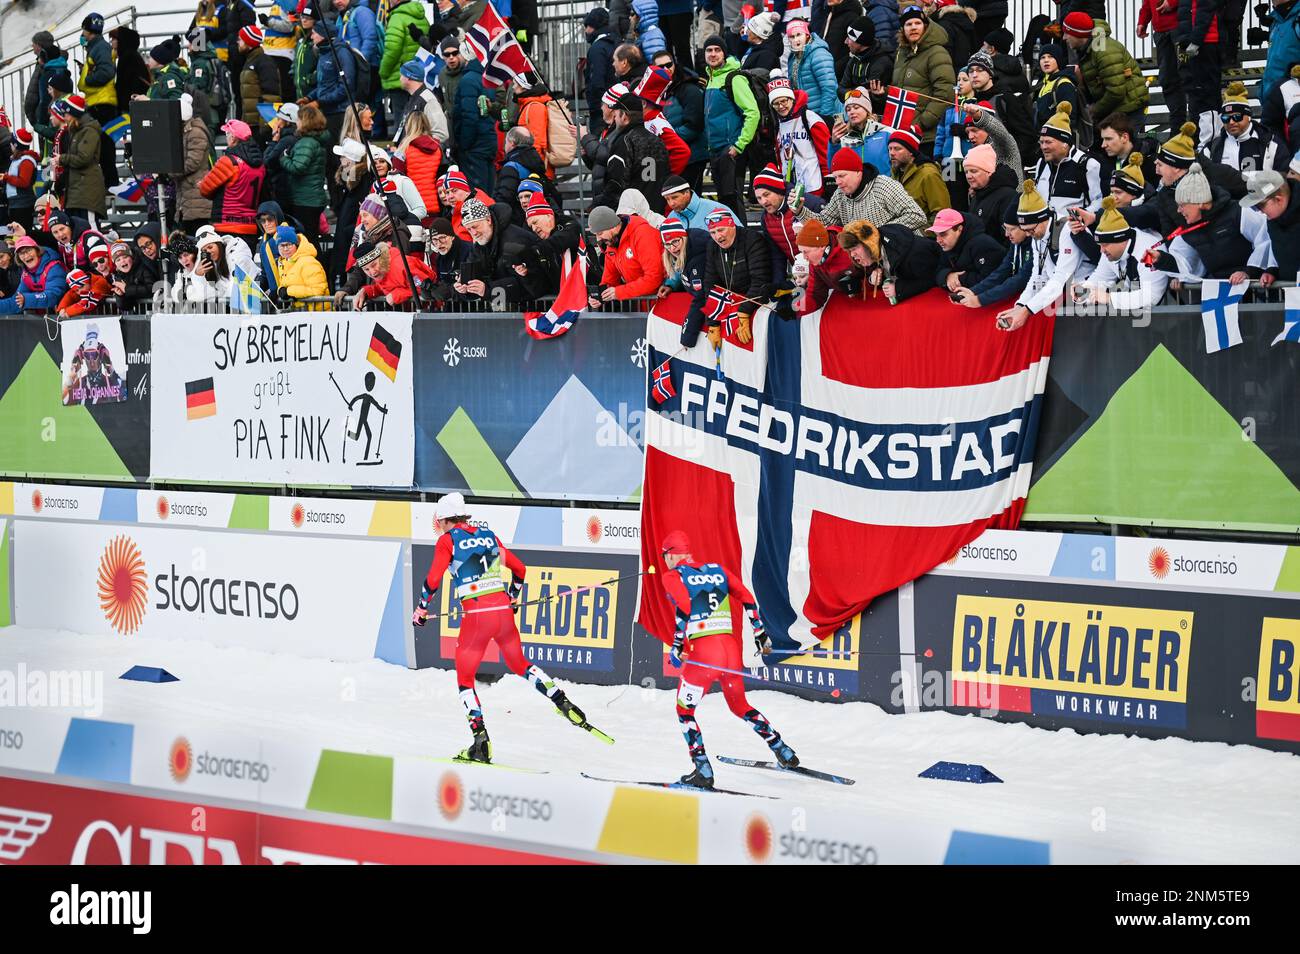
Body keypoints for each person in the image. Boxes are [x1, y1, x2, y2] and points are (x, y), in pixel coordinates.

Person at [413, 493, 599, 764]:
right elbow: (521, 569)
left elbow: (433, 579)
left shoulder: (447, 541)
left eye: (439, 521)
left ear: (443, 520)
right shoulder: (489, 535)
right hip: (502, 613)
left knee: (465, 679)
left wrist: (421, 609)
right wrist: (513, 597)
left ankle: (480, 741)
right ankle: (560, 699)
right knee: (520, 663)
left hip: (477, 617)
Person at [658, 530, 798, 789]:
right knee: (740, 706)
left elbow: (685, 606)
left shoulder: (672, 576)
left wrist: (677, 645)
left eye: (664, 555)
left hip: (705, 654)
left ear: (672, 554)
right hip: (730, 652)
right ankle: (782, 749)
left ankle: (702, 771)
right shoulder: (717, 570)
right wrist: (760, 634)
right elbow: (746, 597)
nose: (664, 560)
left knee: (684, 710)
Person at [1151, 162, 1276, 283]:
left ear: (1199, 202)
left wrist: (1248, 272)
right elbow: (1183, 261)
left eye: (1182, 205)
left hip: (1254, 288)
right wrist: (1160, 259)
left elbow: (1265, 240)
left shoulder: (1238, 212)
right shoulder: (1187, 228)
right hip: (1219, 290)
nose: (1179, 211)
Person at [995, 179, 1086, 332]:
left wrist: (1027, 311)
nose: (1029, 235)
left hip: (1084, 294)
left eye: (1031, 230)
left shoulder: (1065, 229)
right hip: (1066, 297)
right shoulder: (1037, 234)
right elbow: (1038, 276)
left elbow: (1060, 278)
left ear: (1043, 218)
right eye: (1025, 230)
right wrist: (1019, 306)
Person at [683, 207, 773, 345]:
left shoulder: (752, 240)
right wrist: (713, 323)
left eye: (721, 230)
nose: (718, 237)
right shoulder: (712, 247)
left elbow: (761, 280)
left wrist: (744, 312)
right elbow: (710, 285)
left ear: (732, 225)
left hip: (757, 303)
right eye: (712, 232)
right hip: (733, 304)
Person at [1070, 197, 1169, 313]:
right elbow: (1101, 277)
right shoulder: (1111, 250)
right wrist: (1084, 289)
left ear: (1121, 240)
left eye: (1105, 244)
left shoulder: (1149, 251)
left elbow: (1151, 296)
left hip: (1164, 317)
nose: (1101, 250)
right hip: (1135, 315)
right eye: (1100, 245)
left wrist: (1109, 298)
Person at [797, 148, 927, 232]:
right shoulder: (840, 194)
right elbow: (824, 223)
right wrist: (800, 211)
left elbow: (917, 216)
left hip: (904, 256)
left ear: (858, 172)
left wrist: (878, 233)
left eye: (842, 176)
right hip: (868, 261)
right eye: (835, 177)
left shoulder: (883, 186)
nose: (838, 182)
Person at [702, 36, 761, 218]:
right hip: (716, 151)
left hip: (730, 151)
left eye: (717, 50)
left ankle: (742, 242)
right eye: (709, 50)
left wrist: (738, 145)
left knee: (733, 202)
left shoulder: (734, 78)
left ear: (725, 54)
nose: (713, 54)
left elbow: (753, 113)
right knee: (725, 203)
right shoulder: (711, 78)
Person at [1062, 12, 1149, 134]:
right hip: (1116, 109)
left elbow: (1116, 91)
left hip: (1128, 109)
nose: (1064, 38)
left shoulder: (1104, 51)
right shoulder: (1089, 49)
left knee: (1120, 150)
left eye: (1067, 33)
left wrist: (1094, 110)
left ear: (1079, 34)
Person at [890, 6, 955, 148]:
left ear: (926, 26)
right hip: (904, 133)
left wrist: (921, 123)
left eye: (917, 23)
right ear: (903, 29)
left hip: (926, 136)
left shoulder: (937, 52)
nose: (913, 27)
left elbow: (945, 94)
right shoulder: (901, 53)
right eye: (908, 24)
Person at [455, 199, 538, 305]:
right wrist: (465, 287)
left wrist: (487, 289)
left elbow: (528, 285)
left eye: (475, 227)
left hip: (529, 310)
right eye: (469, 229)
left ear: (488, 220)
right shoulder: (479, 245)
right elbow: (478, 282)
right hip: (503, 306)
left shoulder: (515, 241)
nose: (474, 233)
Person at [601, 91, 672, 212]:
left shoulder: (624, 142)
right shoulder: (657, 141)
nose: (615, 119)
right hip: (657, 211)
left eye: (617, 115)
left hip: (632, 214)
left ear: (624, 116)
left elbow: (615, 182)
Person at [1202, 83, 1292, 176]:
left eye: (1237, 117)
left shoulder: (1271, 143)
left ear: (1249, 116)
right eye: (1226, 118)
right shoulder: (1212, 147)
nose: (1231, 122)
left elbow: (1284, 178)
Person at [199, 119, 267, 241]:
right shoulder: (260, 165)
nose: (226, 138)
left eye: (227, 134)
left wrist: (202, 184)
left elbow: (205, 189)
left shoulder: (229, 161)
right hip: (250, 226)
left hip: (227, 226)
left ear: (234, 138)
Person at [955, 204, 1034, 307]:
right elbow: (1002, 271)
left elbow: (1021, 278)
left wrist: (980, 300)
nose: (1006, 234)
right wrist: (974, 291)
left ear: (1025, 227)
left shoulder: (1036, 245)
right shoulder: (1016, 242)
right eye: (1005, 228)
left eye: (1012, 229)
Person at [588, 204, 666, 307]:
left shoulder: (643, 235)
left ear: (614, 226)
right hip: (642, 303)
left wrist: (619, 292)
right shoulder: (611, 243)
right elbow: (609, 281)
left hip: (663, 300)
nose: (598, 239)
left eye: (600, 233)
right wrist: (600, 297)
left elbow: (654, 278)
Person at [1033, 102, 1103, 217]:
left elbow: (1098, 201)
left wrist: (1078, 217)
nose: (1043, 147)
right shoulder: (1041, 164)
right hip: (1043, 231)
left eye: (1048, 142)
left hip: (1073, 230)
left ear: (1065, 143)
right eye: (1041, 142)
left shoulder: (1087, 164)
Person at [273, 105, 330, 245]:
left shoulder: (307, 143)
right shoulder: (316, 141)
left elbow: (298, 167)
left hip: (305, 199)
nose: (296, 122)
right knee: (310, 238)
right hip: (312, 197)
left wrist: (284, 158)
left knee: (307, 241)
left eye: (298, 119)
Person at [768, 75, 830, 199]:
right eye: (776, 104)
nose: (780, 106)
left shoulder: (810, 118)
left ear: (791, 99)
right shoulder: (778, 124)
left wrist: (828, 181)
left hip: (814, 186)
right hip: (790, 188)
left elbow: (825, 153)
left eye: (784, 101)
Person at [655, 51, 708, 190]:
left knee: (690, 198)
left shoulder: (689, 89)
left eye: (668, 64)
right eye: (660, 67)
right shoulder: (662, 91)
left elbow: (695, 125)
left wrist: (668, 140)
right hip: (676, 154)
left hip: (693, 157)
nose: (666, 69)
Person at [1174, 0, 1223, 141]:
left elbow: (1204, 11)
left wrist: (1196, 40)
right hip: (1198, 42)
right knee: (1198, 92)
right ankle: (1203, 139)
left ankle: (1210, 141)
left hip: (1206, 42)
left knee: (1207, 93)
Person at [1138, 0, 1187, 133]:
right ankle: (1178, 127)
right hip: (1162, 33)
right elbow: (1148, 4)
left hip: (1181, 30)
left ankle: (1189, 126)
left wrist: (1171, 2)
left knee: (1187, 78)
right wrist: (1142, 21)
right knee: (1168, 80)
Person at [1243, 170, 1300, 281]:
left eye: (1260, 205)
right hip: (1291, 293)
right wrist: (1272, 272)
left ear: (1278, 199)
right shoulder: (1273, 220)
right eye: (1255, 207)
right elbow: (1279, 252)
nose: (1259, 211)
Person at [932, 206, 1004, 292]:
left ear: (959, 229)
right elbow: (937, 269)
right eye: (936, 235)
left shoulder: (982, 244)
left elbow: (992, 278)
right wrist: (948, 275)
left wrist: (958, 279)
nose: (938, 240)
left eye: (943, 234)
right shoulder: (947, 245)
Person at [60, 97, 107, 226]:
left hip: (87, 191)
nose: (64, 117)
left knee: (90, 229)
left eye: (66, 114)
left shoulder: (89, 130)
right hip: (77, 191)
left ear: (74, 113)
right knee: (77, 230)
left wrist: (62, 158)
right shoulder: (76, 131)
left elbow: (83, 158)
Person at [379, 0, 429, 121]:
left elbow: (392, 49)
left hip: (401, 77)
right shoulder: (421, 16)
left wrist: (383, 72)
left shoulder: (397, 18)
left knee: (401, 122)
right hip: (419, 76)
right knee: (417, 119)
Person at [350, 239, 436, 309]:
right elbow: (383, 288)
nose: (372, 272)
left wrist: (396, 295)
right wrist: (365, 292)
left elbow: (423, 285)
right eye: (366, 269)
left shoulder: (401, 265)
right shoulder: (382, 271)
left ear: (381, 258)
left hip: (431, 311)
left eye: (374, 265)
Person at [792, 218, 853, 312]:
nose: (804, 257)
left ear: (821, 246)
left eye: (806, 252)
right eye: (801, 252)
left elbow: (872, 269)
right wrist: (795, 310)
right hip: (847, 305)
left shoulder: (849, 250)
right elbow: (815, 295)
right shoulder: (815, 262)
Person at [827, 87, 891, 176]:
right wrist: (834, 143)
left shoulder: (886, 133)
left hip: (884, 187)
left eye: (856, 107)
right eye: (848, 110)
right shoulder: (844, 139)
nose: (851, 112)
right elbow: (833, 170)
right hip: (857, 189)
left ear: (867, 109)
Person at [786, 19, 841, 122]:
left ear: (807, 35)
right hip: (806, 117)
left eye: (799, 35)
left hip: (823, 115)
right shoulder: (793, 57)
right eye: (792, 37)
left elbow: (829, 89)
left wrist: (824, 117)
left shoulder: (819, 54)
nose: (796, 40)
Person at [889, 129, 948, 224]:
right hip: (901, 233)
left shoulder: (928, 174)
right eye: (890, 149)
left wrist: (924, 234)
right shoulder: (895, 173)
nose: (891, 153)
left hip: (922, 236)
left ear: (911, 152)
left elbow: (942, 212)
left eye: (897, 148)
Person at [965, 143, 1017, 246]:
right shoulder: (977, 194)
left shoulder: (1007, 196)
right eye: (966, 172)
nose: (969, 176)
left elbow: (1009, 238)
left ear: (989, 171)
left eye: (974, 171)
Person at [0, 237, 68, 314]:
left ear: (37, 251)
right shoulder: (26, 274)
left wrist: (26, 299)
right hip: (45, 318)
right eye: (21, 253)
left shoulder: (54, 267)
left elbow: (54, 296)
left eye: (28, 250)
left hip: (64, 315)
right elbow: (16, 301)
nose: (26, 256)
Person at [236, 26, 282, 136]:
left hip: (260, 126)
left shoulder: (264, 62)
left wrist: (266, 125)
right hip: (251, 123)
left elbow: (271, 95)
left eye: (240, 39)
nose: (237, 42)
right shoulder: (250, 60)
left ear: (249, 42)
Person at [838, 17, 893, 104]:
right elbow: (840, 89)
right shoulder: (855, 59)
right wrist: (853, 93)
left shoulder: (881, 62)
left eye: (849, 38)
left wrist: (850, 92)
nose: (846, 42)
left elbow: (869, 96)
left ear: (860, 41)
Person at [270, 226, 329, 306]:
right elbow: (284, 286)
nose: (285, 249)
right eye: (282, 246)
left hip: (318, 315)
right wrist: (280, 290)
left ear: (296, 245)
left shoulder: (308, 262)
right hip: (301, 314)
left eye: (289, 244)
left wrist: (288, 291)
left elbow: (318, 290)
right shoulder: (284, 262)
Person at [78, 14, 118, 128]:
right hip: (97, 101)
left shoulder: (101, 48)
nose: (83, 33)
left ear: (89, 31)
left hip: (102, 103)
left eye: (84, 29)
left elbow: (106, 72)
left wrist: (87, 79)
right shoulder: (96, 47)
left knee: (103, 143)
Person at [585, 9, 619, 138]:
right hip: (617, 105)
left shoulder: (597, 48)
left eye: (588, 26)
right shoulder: (616, 43)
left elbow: (596, 80)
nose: (586, 31)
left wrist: (597, 105)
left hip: (601, 110)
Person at [1031, 43, 1078, 130]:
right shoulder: (1043, 83)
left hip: (1056, 139)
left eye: (1050, 57)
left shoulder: (1064, 84)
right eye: (1042, 57)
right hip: (1043, 138)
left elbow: (1069, 119)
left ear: (1058, 59)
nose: (1046, 60)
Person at [3, 129, 40, 233]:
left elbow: (24, 182)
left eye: (12, 143)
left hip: (23, 205)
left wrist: (6, 177)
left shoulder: (26, 161)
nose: (10, 145)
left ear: (16, 145)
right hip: (15, 204)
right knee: (13, 233)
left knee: (21, 233)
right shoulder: (17, 159)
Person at [108, 240, 159, 312]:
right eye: (118, 260)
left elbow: (152, 288)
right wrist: (121, 295)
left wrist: (127, 289)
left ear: (131, 257)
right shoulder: (119, 276)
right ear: (115, 264)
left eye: (125, 257)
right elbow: (126, 306)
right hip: (140, 315)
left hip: (155, 312)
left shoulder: (143, 268)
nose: (122, 261)